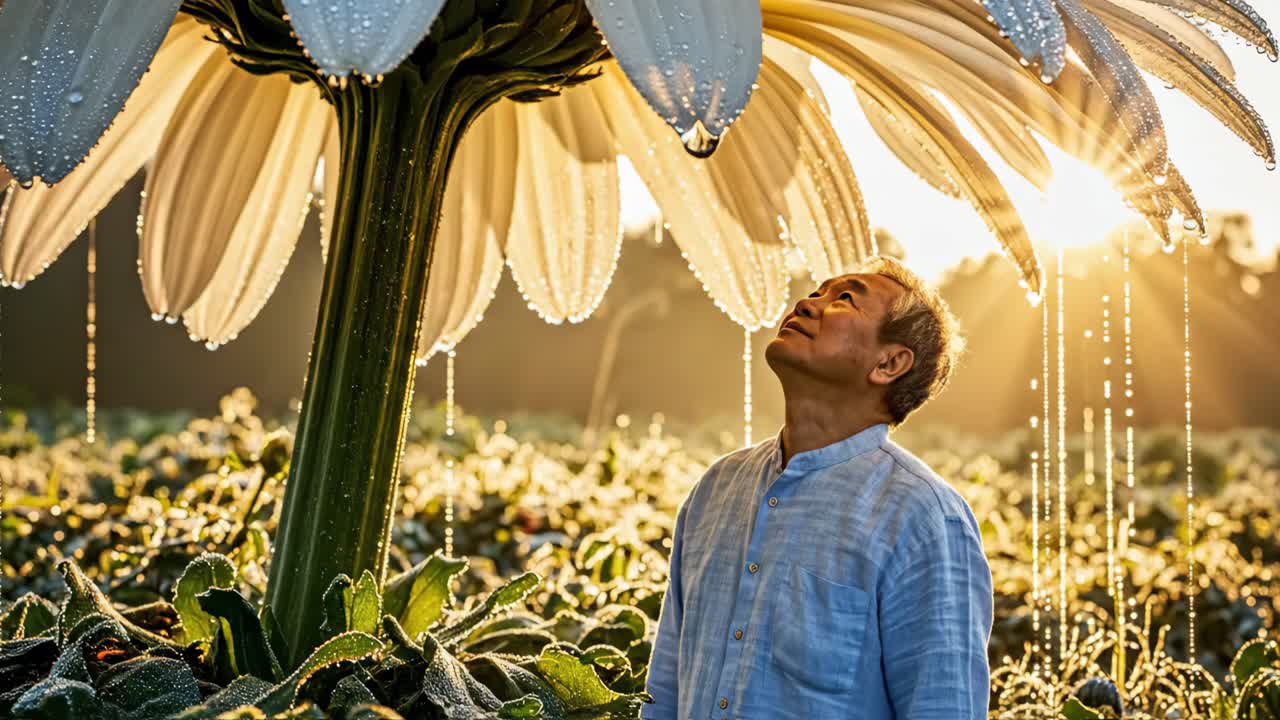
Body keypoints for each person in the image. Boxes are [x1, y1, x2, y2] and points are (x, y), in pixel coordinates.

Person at [643, 257, 993, 719]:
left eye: (844, 299)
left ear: (889, 362)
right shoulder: (716, 489)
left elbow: (943, 708)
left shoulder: (923, 519)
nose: (809, 303)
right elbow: (664, 692)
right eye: (818, 291)